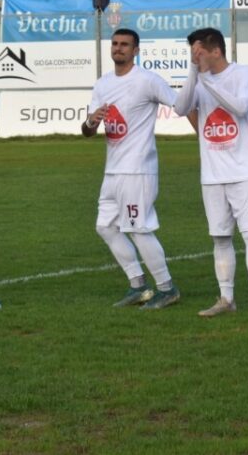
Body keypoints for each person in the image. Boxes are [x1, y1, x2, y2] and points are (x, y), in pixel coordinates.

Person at [172, 28, 248, 319]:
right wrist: (195, 72)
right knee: (220, 238)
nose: (196, 56)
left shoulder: (244, 73)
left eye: (199, 51)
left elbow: (240, 107)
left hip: (247, 172)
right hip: (213, 175)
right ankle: (226, 298)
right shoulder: (199, 78)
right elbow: (180, 108)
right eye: (192, 52)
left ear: (215, 50)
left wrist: (205, 79)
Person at [81, 29, 182, 309]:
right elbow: (87, 131)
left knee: (139, 229)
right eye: (114, 44)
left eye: (125, 45)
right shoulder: (103, 84)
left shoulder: (147, 80)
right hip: (112, 170)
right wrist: (92, 121)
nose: (118, 48)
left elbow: (179, 103)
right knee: (105, 227)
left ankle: (167, 288)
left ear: (136, 50)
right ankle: (138, 285)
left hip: (138, 169)